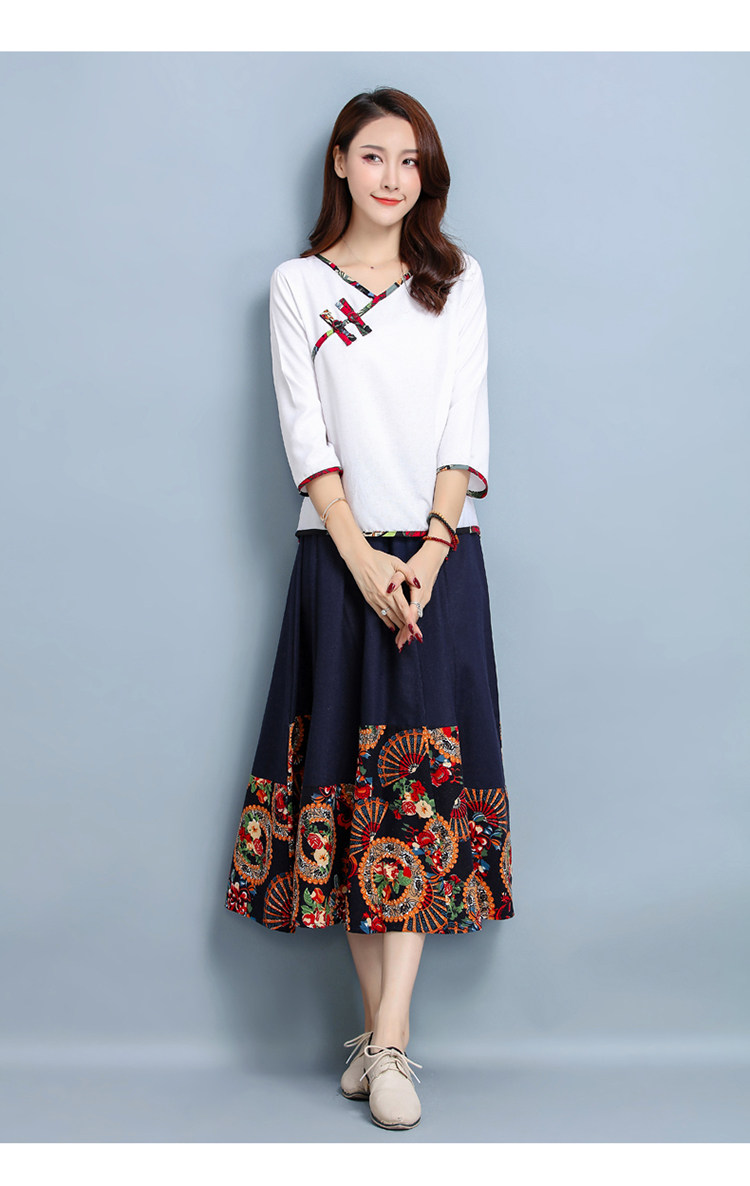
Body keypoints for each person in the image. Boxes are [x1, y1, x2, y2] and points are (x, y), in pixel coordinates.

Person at [224, 86, 514, 1131]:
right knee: (353, 794)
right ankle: (382, 1039)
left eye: (412, 160)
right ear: (341, 163)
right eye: (376, 156)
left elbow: (463, 421)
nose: (395, 177)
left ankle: (387, 1041)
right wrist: (360, 560)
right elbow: (305, 433)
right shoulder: (298, 287)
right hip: (339, 564)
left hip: (439, 564)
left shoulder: (458, 280)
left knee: (417, 800)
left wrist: (427, 554)